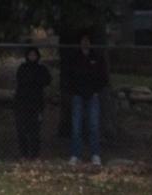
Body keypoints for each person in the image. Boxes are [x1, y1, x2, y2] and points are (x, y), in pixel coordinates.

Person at [62, 30, 108, 166]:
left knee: (93, 125)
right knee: (76, 126)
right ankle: (75, 155)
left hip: (92, 96)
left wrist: (96, 90)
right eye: (83, 40)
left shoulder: (97, 58)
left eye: (88, 40)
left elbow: (103, 78)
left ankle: (95, 155)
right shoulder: (74, 58)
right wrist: (74, 91)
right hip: (77, 96)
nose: (85, 43)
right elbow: (68, 77)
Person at [14, 46, 51, 159]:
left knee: (35, 130)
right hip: (22, 103)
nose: (32, 57)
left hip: (36, 104)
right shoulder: (22, 68)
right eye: (30, 55)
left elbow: (46, 80)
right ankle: (23, 153)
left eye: (34, 55)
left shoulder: (41, 69)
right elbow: (21, 80)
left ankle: (34, 154)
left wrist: (34, 80)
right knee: (22, 129)